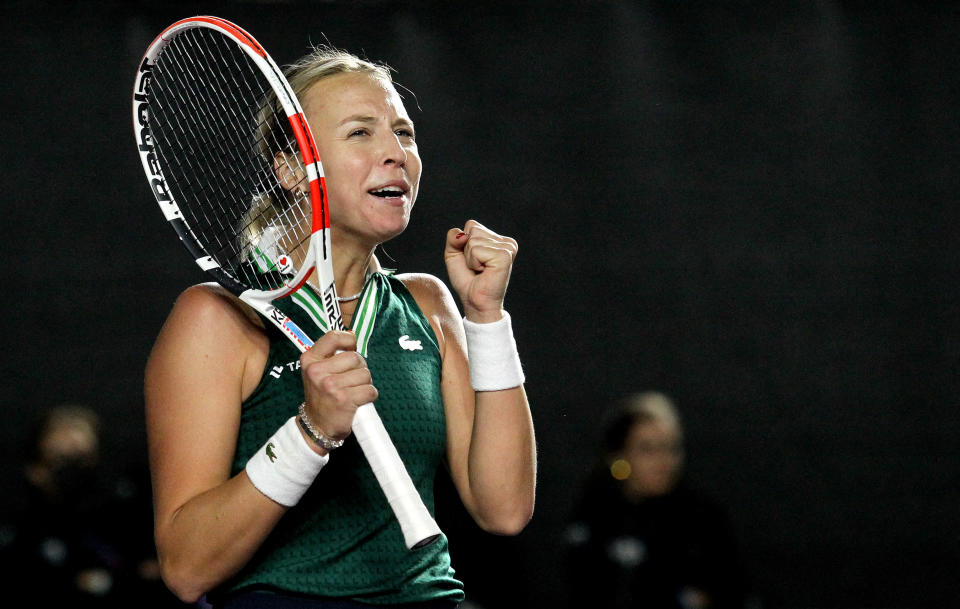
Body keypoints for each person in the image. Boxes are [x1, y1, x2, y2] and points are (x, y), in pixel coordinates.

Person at [143, 45, 535, 608]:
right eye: (361, 133)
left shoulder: (427, 304)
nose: (396, 153)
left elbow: (504, 509)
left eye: (404, 133)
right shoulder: (217, 320)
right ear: (290, 168)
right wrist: (311, 433)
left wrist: (487, 319)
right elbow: (186, 567)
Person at [565, 392, 748, 609]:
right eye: (647, 449)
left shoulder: (701, 519)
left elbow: (730, 590)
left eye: (671, 448)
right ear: (619, 455)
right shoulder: (595, 514)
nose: (663, 461)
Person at [0, 404, 178, 607]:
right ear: (36, 471)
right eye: (60, 459)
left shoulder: (126, 522)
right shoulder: (21, 534)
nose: (72, 471)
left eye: (81, 458)